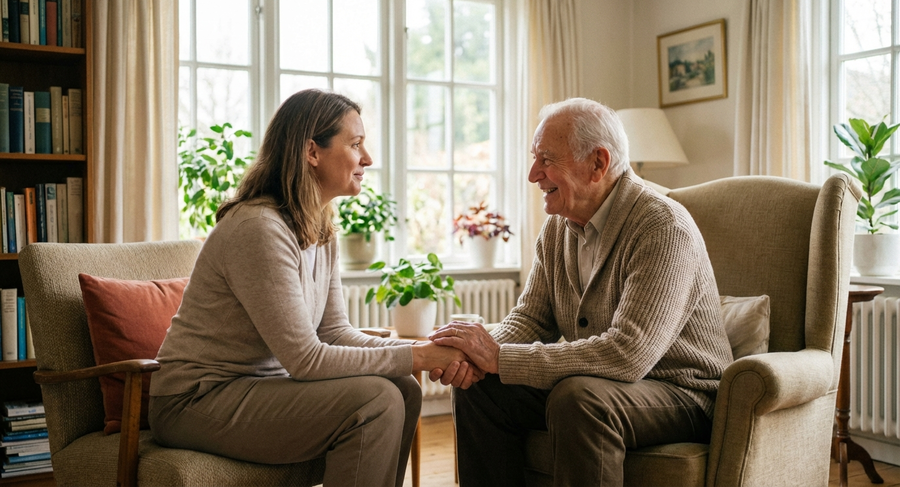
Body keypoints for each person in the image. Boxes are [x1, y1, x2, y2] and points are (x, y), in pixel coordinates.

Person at [149, 89, 472, 487]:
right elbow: (306, 359)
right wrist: (418, 356)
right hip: (195, 401)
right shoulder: (259, 228)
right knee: (377, 399)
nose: (367, 159)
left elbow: (334, 333)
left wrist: (422, 351)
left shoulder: (319, 228)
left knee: (404, 390)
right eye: (355, 145)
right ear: (312, 152)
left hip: (257, 388)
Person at [429, 97, 734, 486]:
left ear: (598, 164)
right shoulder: (558, 227)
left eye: (546, 159)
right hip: (597, 384)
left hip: (683, 392)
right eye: (534, 158)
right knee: (481, 388)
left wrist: (500, 357)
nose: (532, 174)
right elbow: (531, 319)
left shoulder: (662, 226)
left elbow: (629, 353)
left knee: (578, 398)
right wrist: (473, 353)